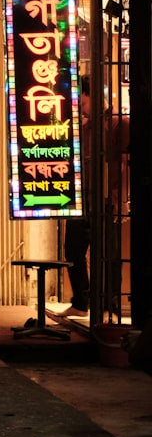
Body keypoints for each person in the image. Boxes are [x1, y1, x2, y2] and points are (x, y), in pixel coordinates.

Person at [58, 75, 129, 319]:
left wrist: (121, 197)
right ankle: (82, 300)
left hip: (108, 197)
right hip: (83, 196)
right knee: (73, 250)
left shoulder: (120, 122)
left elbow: (124, 162)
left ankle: (111, 304)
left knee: (109, 252)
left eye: (78, 97)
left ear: (89, 94)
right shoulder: (84, 126)